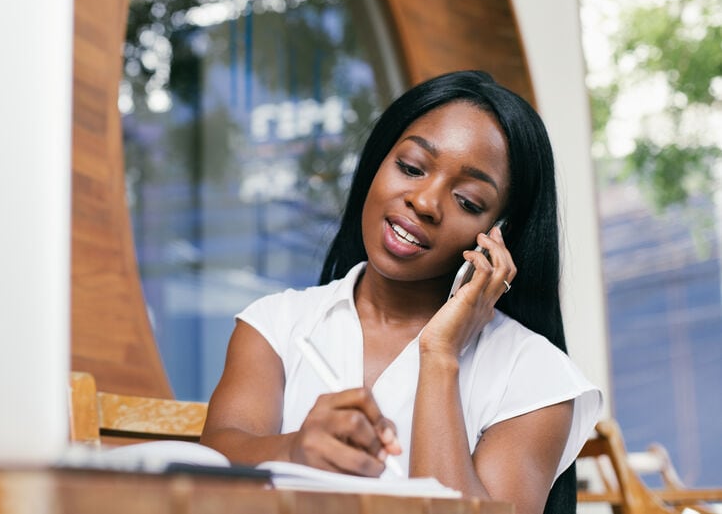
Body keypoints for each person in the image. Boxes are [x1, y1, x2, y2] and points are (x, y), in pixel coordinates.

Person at [199, 70, 602, 514]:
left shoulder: (536, 375)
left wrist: (440, 355)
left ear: (498, 235)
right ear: (376, 162)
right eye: (411, 167)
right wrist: (294, 452)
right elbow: (215, 460)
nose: (425, 203)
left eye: (467, 201)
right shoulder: (276, 325)